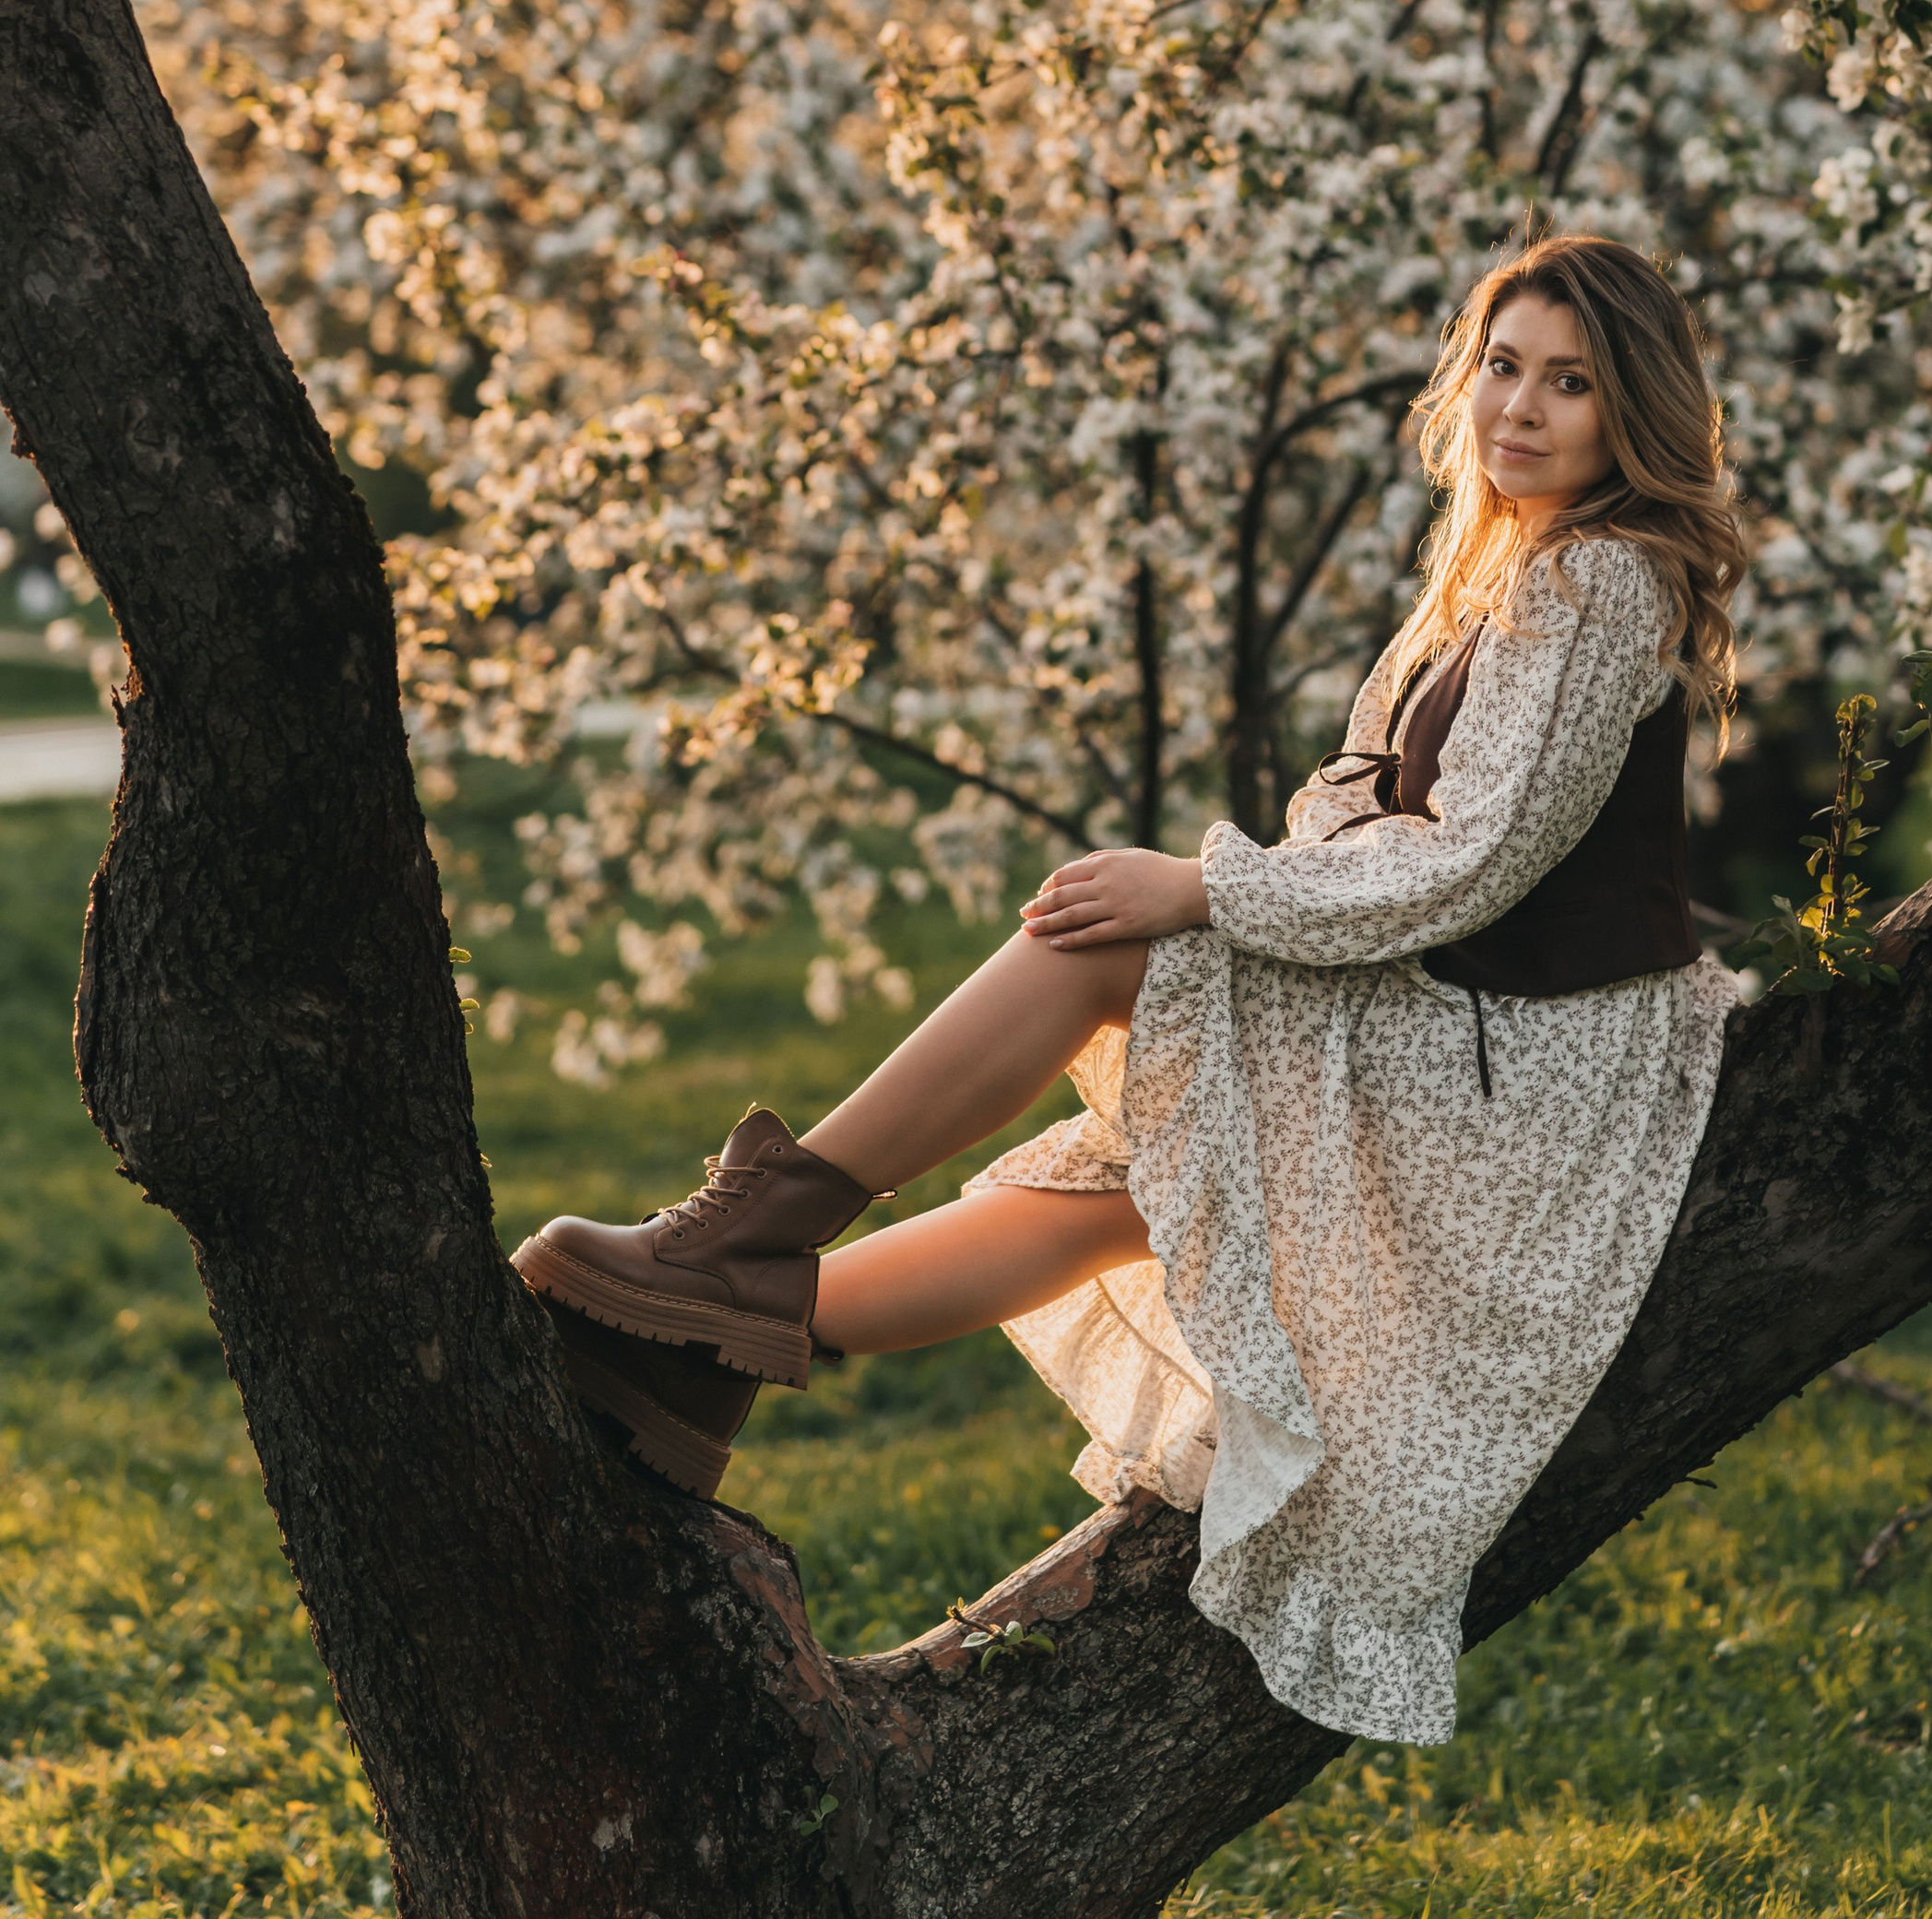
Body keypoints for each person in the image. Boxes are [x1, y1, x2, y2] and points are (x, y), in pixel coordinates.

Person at [515, 232, 1748, 1747]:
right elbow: (1363, 812)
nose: (1522, 409)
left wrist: (1205, 890)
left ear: (1637, 409)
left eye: (1571, 383)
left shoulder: (1605, 581)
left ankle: (737, 1243)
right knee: (1140, 1171)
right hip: (1461, 1020)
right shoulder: (1497, 571)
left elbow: (1468, 863)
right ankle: (698, 1346)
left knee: (1111, 944)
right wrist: (1240, 903)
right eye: (1501, 366)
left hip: (1524, 1084)